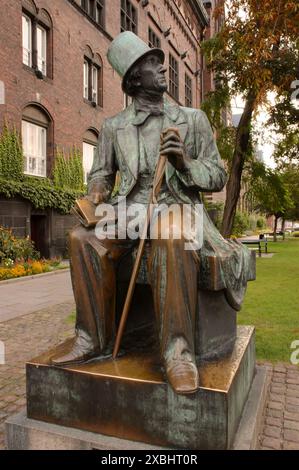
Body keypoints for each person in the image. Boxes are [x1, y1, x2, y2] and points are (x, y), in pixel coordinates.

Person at [52, 32, 254, 394]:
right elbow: (101, 174)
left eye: (158, 61)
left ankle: (177, 353)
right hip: (128, 211)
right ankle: (92, 339)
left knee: (172, 234)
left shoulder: (193, 120)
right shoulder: (114, 127)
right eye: (151, 63)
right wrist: (94, 197)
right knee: (80, 239)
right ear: (134, 78)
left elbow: (218, 176)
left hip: (179, 209)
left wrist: (185, 162)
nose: (162, 67)